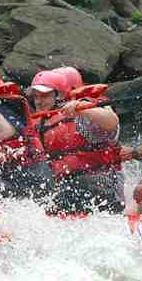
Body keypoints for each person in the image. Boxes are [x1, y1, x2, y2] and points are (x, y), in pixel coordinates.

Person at [29, 70, 125, 214]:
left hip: (100, 184)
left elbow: (111, 122)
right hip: (62, 186)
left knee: (72, 187)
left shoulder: (82, 116)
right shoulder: (38, 122)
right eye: (35, 96)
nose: (38, 101)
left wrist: (82, 109)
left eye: (44, 96)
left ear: (59, 95)